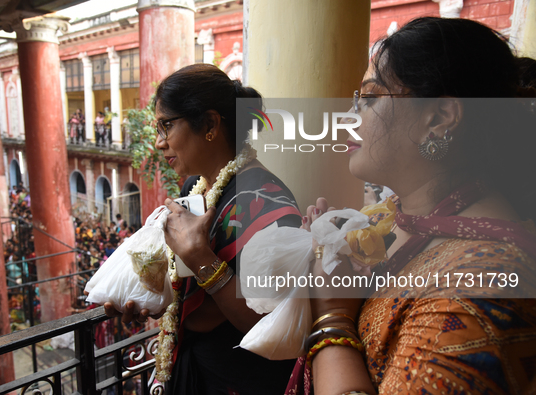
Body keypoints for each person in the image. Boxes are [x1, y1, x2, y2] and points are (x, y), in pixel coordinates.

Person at [286, 17, 536, 395]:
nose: (349, 119)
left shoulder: (480, 287)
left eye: (369, 99)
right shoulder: (399, 221)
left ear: (438, 118)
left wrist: (332, 315)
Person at [104, 63, 303, 394]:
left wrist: (202, 258)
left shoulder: (266, 200)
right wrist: (147, 297)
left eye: (166, 126)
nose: (158, 142)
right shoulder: (194, 187)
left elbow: (270, 320)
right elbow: (186, 287)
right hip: (194, 366)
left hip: (239, 377)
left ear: (210, 123)